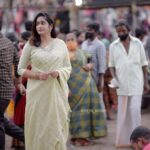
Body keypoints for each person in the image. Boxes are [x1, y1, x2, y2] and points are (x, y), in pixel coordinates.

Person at [18, 12, 71, 150]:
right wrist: (37, 75)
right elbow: (20, 69)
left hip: (55, 92)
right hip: (37, 93)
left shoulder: (60, 44)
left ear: (51, 26)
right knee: (38, 126)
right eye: (37, 24)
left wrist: (58, 72)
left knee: (55, 124)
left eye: (43, 23)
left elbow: (68, 67)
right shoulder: (30, 45)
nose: (39, 26)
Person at [109, 20, 149, 148]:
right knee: (123, 113)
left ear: (129, 30)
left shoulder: (138, 44)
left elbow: (144, 64)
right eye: (119, 31)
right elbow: (111, 66)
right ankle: (125, 141)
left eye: (123, 31)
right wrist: (115, 79)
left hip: (137, 82)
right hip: (121, 85)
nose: (121, 33)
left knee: (134, 110)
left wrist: (146, 82)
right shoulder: (113, 46)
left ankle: (138, 140)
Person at [66, 33, 107, 146]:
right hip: (72, 87)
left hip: (86, 84)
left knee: (87, 111)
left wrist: (90, 66)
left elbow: (91, 62)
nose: (70, 42)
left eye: (72, 39)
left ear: (76, 41)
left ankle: (84, 136)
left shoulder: (82, 52)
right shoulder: (63, 55)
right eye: (68, 40)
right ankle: (76, 136)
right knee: (75, 112)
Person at [0, 20, 24, 149]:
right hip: (6, 92)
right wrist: (18, 81)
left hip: (1, 91)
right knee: (2, 121)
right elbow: (19, 63)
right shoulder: (9, 44)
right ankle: (29, 138)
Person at [81, 22, 107, 117]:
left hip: (96, 78)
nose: (87, 31)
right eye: (87, 29)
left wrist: (100, 81)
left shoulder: (100, 45)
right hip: (85, 79)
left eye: (90, 30)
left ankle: (101, 124)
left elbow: (102, 64)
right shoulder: (84, 44)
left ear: (96, 32)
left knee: (98, 102)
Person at [12, 31, 31, 150]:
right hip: (22, 88)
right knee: (22, 115)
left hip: (27, 88)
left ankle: (24, 142)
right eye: (21, 41)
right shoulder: (21, 53)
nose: (21, 43)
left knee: (25, 115)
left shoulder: (30, 53)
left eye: (23, 40)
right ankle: (22, 142)